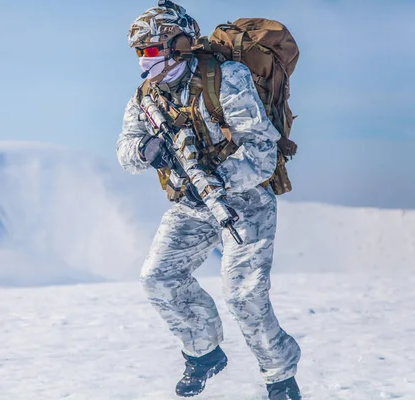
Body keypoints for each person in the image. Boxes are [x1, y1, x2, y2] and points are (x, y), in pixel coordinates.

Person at [116, 2, 302, 399]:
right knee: (158, 277)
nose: (145, 60)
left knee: (243, 295)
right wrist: (146, 151)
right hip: (191, 203)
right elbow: (125, 150)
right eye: (139, 52)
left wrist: (219, 180)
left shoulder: (227, 78)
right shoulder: (147, 96)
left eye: (152, 49)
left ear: (180, 44)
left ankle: (280, 377)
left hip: (246, 200)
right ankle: (203, 352)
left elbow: (261, 153)